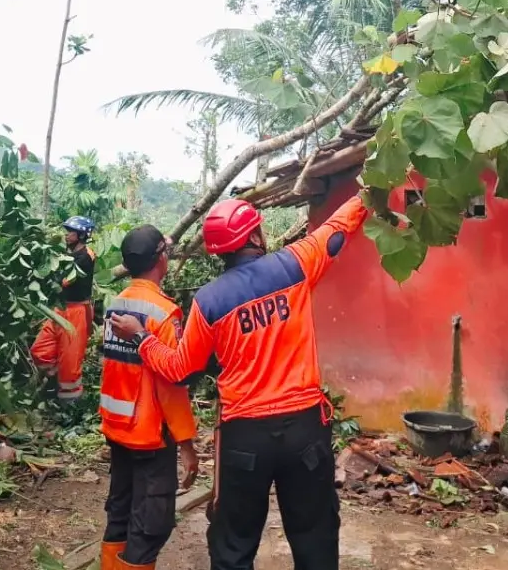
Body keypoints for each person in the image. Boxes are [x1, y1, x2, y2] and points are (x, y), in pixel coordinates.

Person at [109, 194, 370, 570]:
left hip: (244, 440)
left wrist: (142, 338)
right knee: (316, 537)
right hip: (305, 431)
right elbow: (337, 229)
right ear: (256, 237)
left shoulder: (210, 300)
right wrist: (367, 192)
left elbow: (180, 369)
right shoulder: (294, 264)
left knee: (233, 544)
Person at [98, 224, 201, 570]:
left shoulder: (116, 304)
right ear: (161, 259)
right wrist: (186, 441)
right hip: (149, 434)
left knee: (120, 513)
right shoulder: (163, 312)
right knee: (150, 524)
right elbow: (171, 384)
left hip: (117, 425)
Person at [30, 216, 97, 403]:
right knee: (39, 350)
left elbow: (65, 282)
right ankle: (54, 374)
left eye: (71, 232)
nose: (67, 235)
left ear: (82, 235)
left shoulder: (86, 256)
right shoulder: (66, 255)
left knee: (70, 365)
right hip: (60, 308)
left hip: (76, 311)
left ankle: (69, 405)